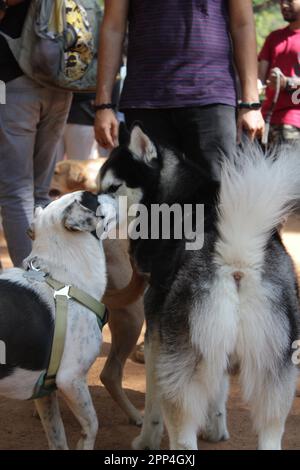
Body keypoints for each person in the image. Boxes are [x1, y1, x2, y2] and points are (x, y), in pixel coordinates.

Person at [94, 0, 264, 183]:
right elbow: (113, 27)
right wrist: (103, 105)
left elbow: (242, 24)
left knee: (215, 197)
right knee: (153, 203)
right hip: (146, 98)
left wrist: (251, 103)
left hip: (210, 96)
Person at [0, 0, 72, 266]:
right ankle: (48, 274)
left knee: (16, 190)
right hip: (61, 78)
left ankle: (29, 281)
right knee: (41, 191)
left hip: (14, 79)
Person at [258, 0, 300, 144]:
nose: (284, 5)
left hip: (294, 124)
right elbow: (259, 80)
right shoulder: (274, 38)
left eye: (289, 0)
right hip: (266, 122)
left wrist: (287, 83)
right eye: (281, 1)